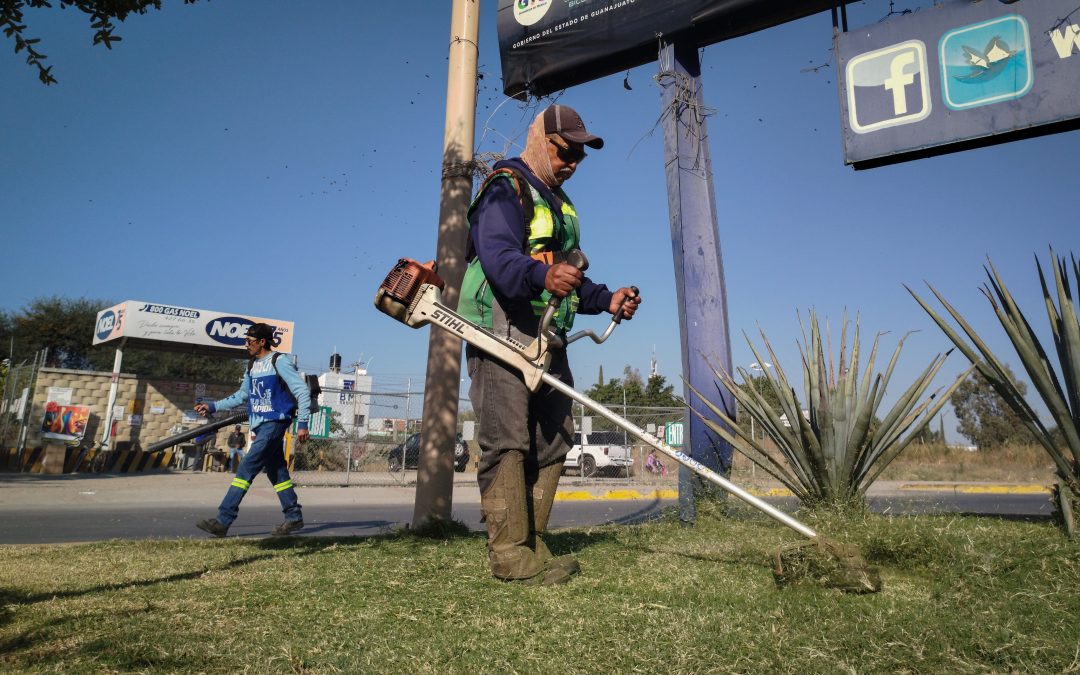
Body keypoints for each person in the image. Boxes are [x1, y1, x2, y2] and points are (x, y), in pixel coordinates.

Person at [458, 104, 641, 585]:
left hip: (547, 337)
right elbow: (499, 259)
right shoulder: (505, 188)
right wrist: (543, 275)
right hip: (499, 333)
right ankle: (510, 556)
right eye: (565, 152)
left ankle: (533, 540)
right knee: (506, 439)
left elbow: (569, 277)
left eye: (580, 156)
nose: (573, 163)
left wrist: (606, 299)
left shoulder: (560, 204)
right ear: (540, 140)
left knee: (555, 437)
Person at [193, 323, 310, 537]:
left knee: (246, 467)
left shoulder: (279, 361)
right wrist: (212, 406)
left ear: (262, 341)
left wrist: (303, 423)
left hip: (275, 422)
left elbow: (302, 391)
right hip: (261, 425)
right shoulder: (251, 366)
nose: (246, 344)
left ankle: (223, 520)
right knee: (277, 472)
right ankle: (294, 517)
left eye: (249, 341)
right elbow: (241, 396)